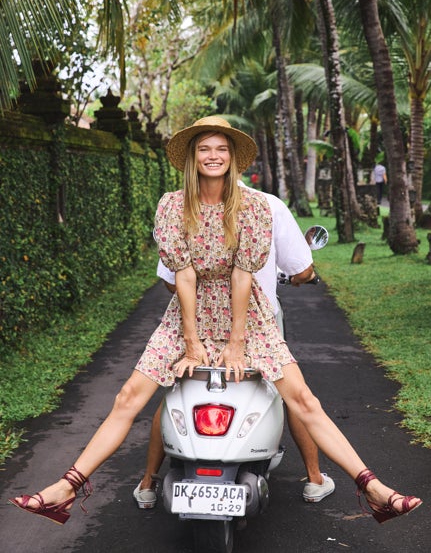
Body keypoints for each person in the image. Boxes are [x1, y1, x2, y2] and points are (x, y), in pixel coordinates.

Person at [10, 116, 421, 527]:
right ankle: (65, 489)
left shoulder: (254, 206)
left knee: (304, 401)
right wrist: (191, 342)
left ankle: (373, 489)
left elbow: (243, 275)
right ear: (192, 157)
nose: (213, 156)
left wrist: (237, 342)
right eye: (204, 148)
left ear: (232, 158)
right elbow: (184, 276)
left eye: (221, 149)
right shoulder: (173, 205)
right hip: (187, 312)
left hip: (248, 314)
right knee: (128, 397)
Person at [133, 182, 335, 509]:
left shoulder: (182, 205)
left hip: (199, 323)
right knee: (292, 394)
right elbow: (302, 268)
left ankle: (147, 483)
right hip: (257, 323)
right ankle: (314, 478)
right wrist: (304, 277)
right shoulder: (268, 205)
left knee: (177, 389)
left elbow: (171, 280)